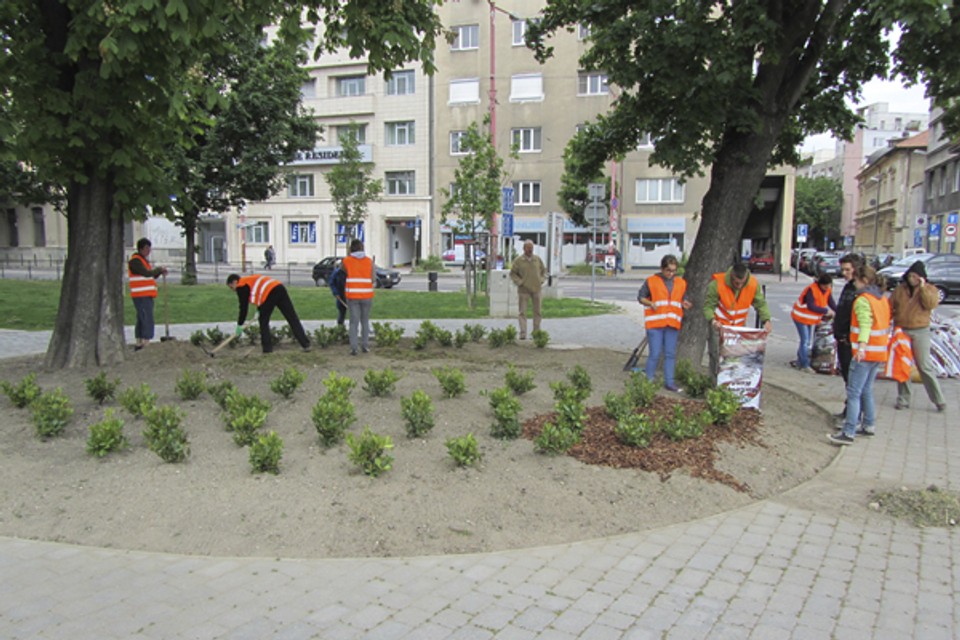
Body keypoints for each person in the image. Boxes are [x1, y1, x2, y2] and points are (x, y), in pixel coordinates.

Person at [829, 265, 891, 445]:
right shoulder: (882, 298)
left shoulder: (863, 300)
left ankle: (848, 431)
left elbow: (865, 325)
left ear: (863, 280)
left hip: (865, 352)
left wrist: (862, 347)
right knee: (866, 390)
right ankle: (869, 425)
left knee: (854, 392)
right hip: (879, 351)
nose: (853, 284)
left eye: (855, 280)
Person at [890, 260, 947, 412]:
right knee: (903, 366)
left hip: (920, 330)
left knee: (924, 365)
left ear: (922, 277)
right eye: (910, 276)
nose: (912, 279)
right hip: (902, 330)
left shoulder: (930, 289)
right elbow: (890, 306)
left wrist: (922, 288)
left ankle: (939, 399)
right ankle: (903, 399)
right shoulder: (900, 290)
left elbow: (930, 304)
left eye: (915, 276)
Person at [703, 262, 773, 379]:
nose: (739, 286)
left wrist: (766, 320)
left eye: (742, 283)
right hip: (719, 327)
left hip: (739, 328)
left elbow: (760, 304)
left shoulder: (753, 284)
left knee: (738, 358)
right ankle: (715, 384)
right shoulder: (717, 284)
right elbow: (708, 307)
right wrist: (713, 320)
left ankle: (733, 384)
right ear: (731, 276)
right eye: (736, 283)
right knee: (717, 358)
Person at [637, 254, 692, 391]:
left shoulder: (681, 283)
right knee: (655, 354)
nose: (671, 274)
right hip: (655, 324)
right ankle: (648, 381)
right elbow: (640, 297)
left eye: (673, 271)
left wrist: (684, 303)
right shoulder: (652, 281)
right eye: (668, 270)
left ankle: (669, 382)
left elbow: (681, 299)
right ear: (662, 269)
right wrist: (650, 303)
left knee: (670, 354)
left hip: (672, 323)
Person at [226, 273, 311, 353]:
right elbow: (260, 294)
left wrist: (240, 324)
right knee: (292, 317)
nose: (233, 290)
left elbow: (243, 307)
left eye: (231, 287)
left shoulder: (241, 286)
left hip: (270, 293)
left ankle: (267, 349)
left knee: (263, 320)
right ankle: (306, 344)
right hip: (279, 288)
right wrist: (259, 310)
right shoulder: (249, 280)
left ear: (235, 282)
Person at [832, 253, 862, 419]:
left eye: (847, 270)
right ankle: (850, 410)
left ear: (856, 269)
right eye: (842, 269)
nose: (844, 273)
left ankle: (853, 415)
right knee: (847, 378)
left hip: (851, 342)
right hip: (843, 339)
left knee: (853, 381)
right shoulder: (849, 287)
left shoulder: (859, 290)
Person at [128, 238, 169, 351]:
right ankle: (144, 340)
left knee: (143, 316)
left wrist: (159, 272)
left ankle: (141, 339)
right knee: (146, 317)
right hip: (140, 294)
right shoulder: (135, 261)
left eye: (149, 248)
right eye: (147, 248)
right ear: (141, 248)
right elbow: (146, 273)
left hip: (146, 294)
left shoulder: (144, 261)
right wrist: (158, 269)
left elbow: (150, 275)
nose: (149, 251)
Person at [790, 273, 836, 373]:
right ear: (821, 284)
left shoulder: (827, 290)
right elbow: (811, 306)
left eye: (829, 286)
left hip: (809, 319)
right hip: (800, 317)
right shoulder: (812, 289)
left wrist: (837, 311)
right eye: (825, 286)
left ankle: (800, 361)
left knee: (806, 341)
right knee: (805, 341)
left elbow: (830, 302)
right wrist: (826, 311)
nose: (827, 288)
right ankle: (804, 365)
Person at [509, 240, 547, 340]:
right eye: (528, 248)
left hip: (536, 289)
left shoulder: (537, 259)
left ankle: (536, 332)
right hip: (523, 290)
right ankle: (523, 333)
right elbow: (513, 273)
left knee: (537, 312)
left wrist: (541, 280)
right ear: (524, 248)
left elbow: (543, 271)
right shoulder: (519, 261)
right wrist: (519, 282)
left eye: (532, 248)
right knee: (522, 312)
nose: (530, 250)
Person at [342, 238, 374, 355]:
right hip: (367, 295)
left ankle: (354, 348)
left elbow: (343, 271)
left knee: (353, 322)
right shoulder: (369, 261)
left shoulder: (346, 261)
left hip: (352, 295)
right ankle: (365, 346)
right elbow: (373, 278)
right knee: (365, 321)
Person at [329, 259, 348, 327]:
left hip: (350, 294)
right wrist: (336, 293)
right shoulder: (337, 273)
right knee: (342, 311)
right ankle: (340, 326)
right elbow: (332, 283)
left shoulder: (350, 272)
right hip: (341, 294)